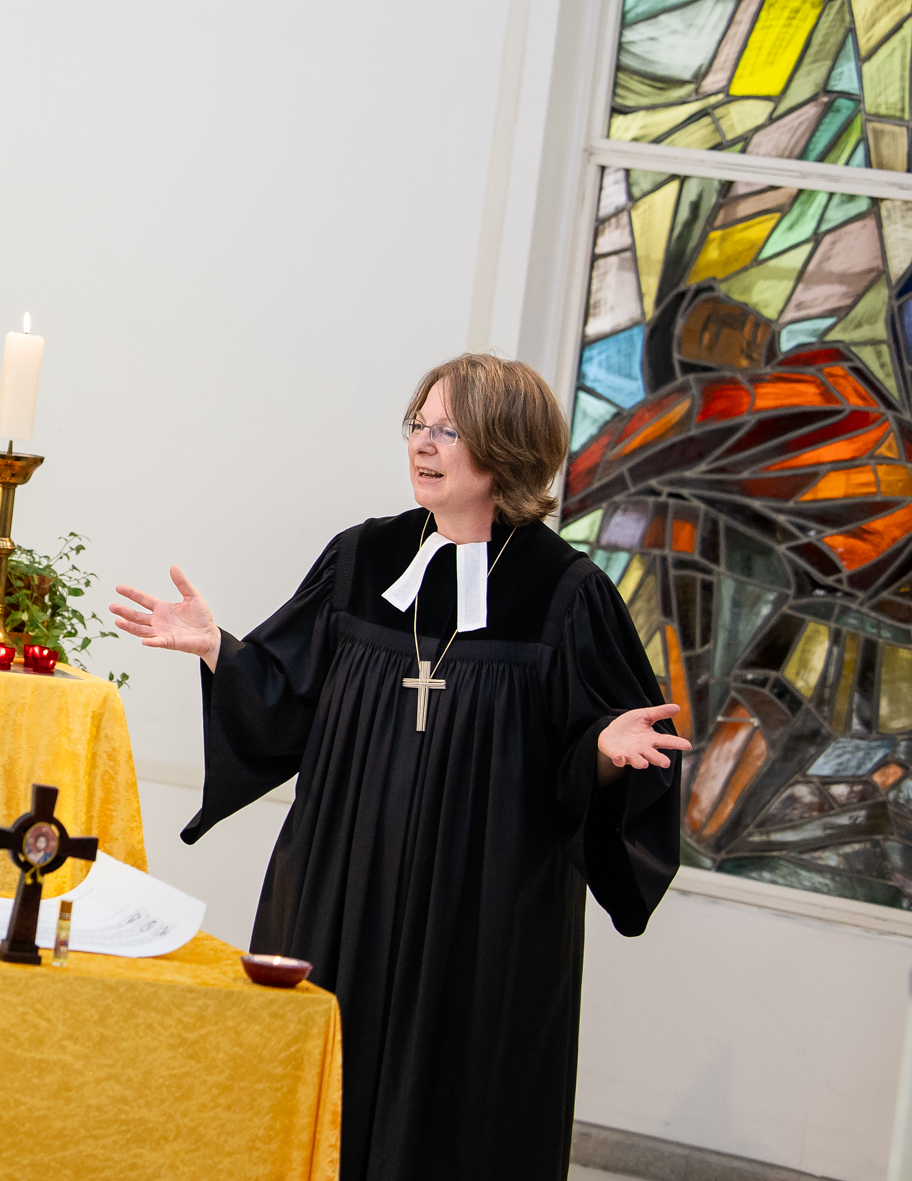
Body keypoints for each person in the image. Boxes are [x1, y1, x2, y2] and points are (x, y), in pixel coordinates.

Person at [111, 353, 686, 1181]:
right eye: (419, 423)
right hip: (344, 883)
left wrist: (601, 754)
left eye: (449, 429)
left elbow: (593, 759)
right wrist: (219, 650)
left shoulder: (564, 593)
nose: (423, 442)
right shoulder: (364, 559)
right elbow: (284, 699)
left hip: (479, 911)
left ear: (506, 447)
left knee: (458, 1112)